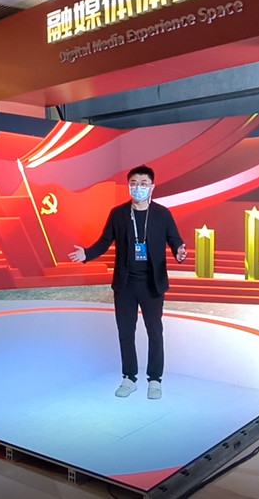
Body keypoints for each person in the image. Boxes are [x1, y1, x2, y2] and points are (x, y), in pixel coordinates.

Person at [69, 165, 186, 400]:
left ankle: (155, 379)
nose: (138, 187)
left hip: (152, 284)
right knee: (125, 332)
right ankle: (129, 377)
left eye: (143, 183)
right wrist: (87, 254)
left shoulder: (162, 214)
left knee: (155, 332)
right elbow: (104, 241)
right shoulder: (118, 214)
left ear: (152, 187)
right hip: (125, 285)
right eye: (134, 183)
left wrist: (179, 251)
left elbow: (174, 239)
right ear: (129, 186)